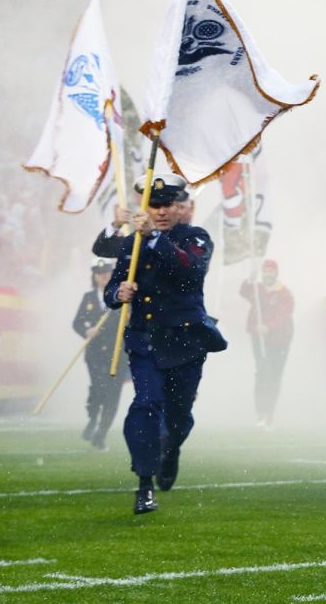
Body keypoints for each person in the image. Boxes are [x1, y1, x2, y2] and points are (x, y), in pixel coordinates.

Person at [104, 173, 227, 515]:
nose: (160, 211)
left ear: (179, 207)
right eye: (153, 205)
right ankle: (144, 484)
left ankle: (169, 450)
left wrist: (154, 238)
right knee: (146, 405)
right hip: (145, 341)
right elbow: (112, 286)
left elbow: (189, 270)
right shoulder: (131, 244)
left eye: (167, 204)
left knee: (177, 418)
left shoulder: (195, 238)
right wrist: (117, 293)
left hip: (185, 342)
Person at [73, 259, 130, 451]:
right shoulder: (88, 297)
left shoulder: (123, 297)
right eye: (99, 273)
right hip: (95, 353)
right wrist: (87, 330)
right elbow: (77, 323)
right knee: (98, 388)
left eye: (106, 272)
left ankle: (101, 433)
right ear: (94, 276)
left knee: (113, 394)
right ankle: (92, 419)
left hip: (118, 353)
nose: (103, 276)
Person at [239, 259, 295, 429]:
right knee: (262, 373)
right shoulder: (258, 290)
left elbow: (284, 313)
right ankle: (260, 412)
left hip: (280, 341)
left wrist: (268, 327)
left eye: (271, 271)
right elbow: (244, 291)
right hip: (259, 339)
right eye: (265, 271)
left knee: (274, 376)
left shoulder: (284, 293)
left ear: (276, 273)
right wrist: (250, 278)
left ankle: (269, 412)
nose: (268, 274)